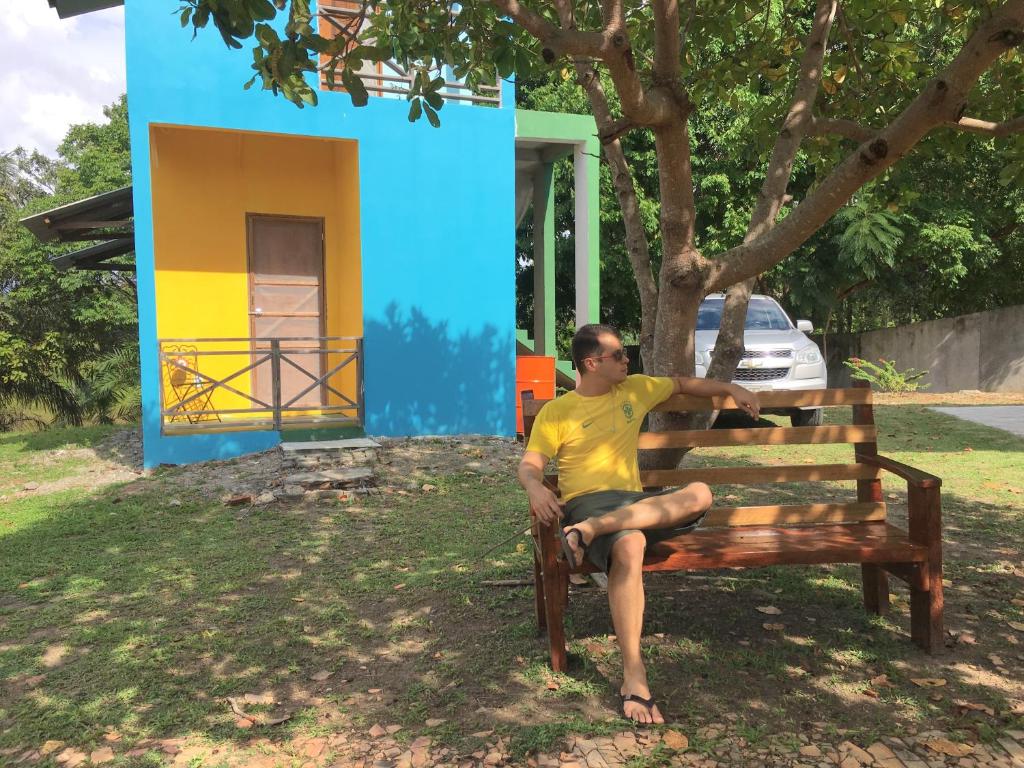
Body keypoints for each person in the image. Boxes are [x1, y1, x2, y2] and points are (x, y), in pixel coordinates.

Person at [517, 323, 760, 724]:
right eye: (619, 355)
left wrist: (732, 388)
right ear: (592, 363)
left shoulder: (635, 389)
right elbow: (529, 466)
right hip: (585, 505)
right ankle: (634, 674)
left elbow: (683, 384)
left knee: (700, 492)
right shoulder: (558, 411)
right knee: (630, 543)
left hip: (632, 505)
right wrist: (535, 488)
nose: (628, 359)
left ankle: (590, 534)